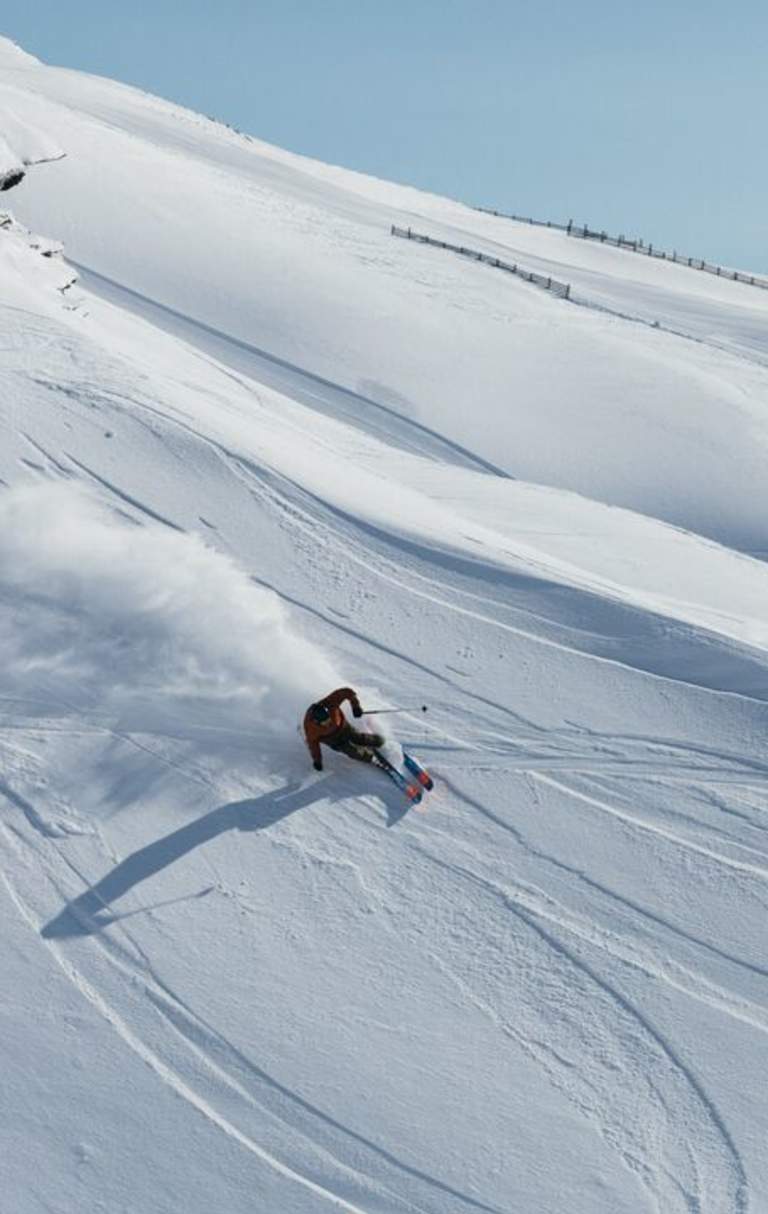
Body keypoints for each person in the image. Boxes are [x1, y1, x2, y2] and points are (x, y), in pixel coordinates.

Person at [303, 687, 384, 772]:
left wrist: (355, 706)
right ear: (316, 722)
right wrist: (317, 761)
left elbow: (347, 692)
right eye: (325, 723)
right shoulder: (310, 729)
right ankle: (370, 758)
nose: (329, 723)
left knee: (357, 737)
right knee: (353, 751)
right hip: (333, 740)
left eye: (329, 719)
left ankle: (376, 741)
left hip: (344, 727)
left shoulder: (330, 702)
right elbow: (313, 746)